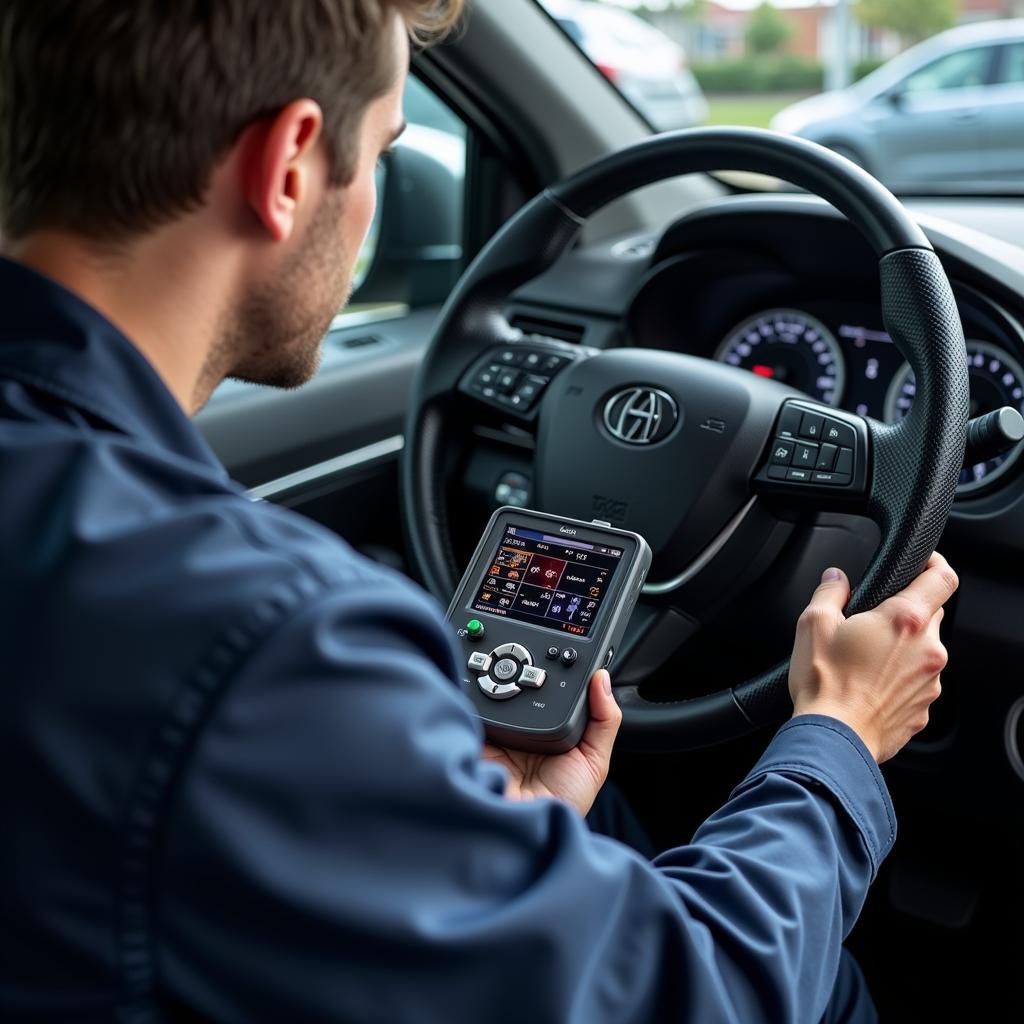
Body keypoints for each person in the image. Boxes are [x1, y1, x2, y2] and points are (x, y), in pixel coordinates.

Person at [0, 2, 956, 1022]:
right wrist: (839, 733)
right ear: (287, 168)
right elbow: (696, 995)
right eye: (382, 152)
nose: (373, 195)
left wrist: (482, 839)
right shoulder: (266, 645)